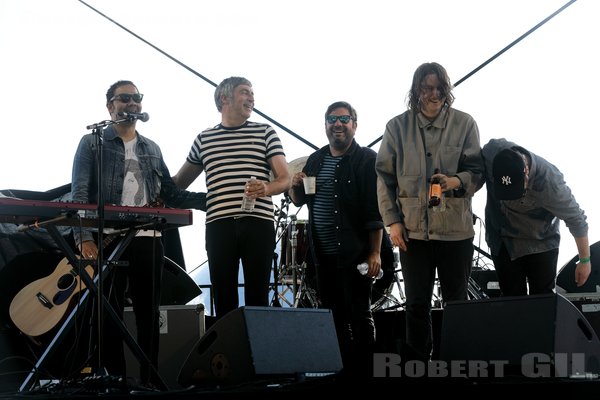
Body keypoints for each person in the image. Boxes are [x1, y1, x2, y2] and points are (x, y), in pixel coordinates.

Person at [71, 80, 206, 388]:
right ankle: (114, 380)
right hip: (108, 237)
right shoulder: (92, 143)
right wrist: (83, 238)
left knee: (149, 314)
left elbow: (172, 194)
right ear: (110, 106)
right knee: (108, 313)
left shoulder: (151, 148)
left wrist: (212, 200)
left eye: (137, 99)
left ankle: (151, 382)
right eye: (125, 98)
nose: (132, 103)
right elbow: (79, 194)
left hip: (149, 238)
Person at [375, 62, 484, 361]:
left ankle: (456, 362)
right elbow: (384, 179)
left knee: (456, 303)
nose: (434, 94)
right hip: (412, 232)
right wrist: (392, 223)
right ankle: (418, 367)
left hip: (455, 231)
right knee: (416, 304)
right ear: (416, 90)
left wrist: (455, 181)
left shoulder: (465, 124)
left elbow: (477, 171)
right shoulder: (396, 127)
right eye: (427, 88)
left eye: (440, 88)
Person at [288, 101, 393, 376]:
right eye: (332, 119)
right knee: (332, 317)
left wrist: (374, 253)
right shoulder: (317, 160)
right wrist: (294, 186)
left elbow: (374, 211)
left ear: (354, 126)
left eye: (344, 119)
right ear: (325, 125)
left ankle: (366, 374)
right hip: (322, 255)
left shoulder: (366, 160)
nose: (338, 123)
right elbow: (300, 201)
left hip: (356, 252)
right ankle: (344, 374)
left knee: (359, 315)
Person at [172, 76, 291, 319]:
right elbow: (178, 184)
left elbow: (285, 178)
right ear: (224, 98)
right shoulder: (204, 139)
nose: (252, 98)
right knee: (223, 294)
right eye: (245, 92)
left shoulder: (265, 132)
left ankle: (258, 352)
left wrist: (266, 189)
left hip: (258, 222)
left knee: (258, 293)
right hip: (219, 225)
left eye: (252, 93)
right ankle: (230, 352)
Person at [481, 138, 591, 296]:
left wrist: (585, 261)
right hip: (503, 239)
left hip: (540, 242)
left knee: (542, 301)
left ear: (526, 173)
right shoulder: (492, 152)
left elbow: (577, 220)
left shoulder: (550, 183)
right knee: (511, 302)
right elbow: (474, 171)